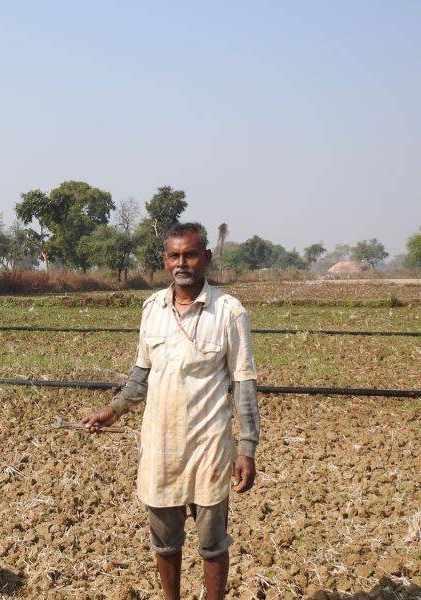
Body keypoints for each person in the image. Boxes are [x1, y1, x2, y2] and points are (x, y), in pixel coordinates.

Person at [82, 222, 260, 600]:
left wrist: (247, 448)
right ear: (165, 261)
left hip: (209, 447)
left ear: (206, 258)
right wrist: (113, 410)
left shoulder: (228, 312)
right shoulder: (152, 309)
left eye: (191, 254)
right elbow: (141, 375)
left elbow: (243, 383)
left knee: (212, 543)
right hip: (160, 447)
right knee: (165, 544)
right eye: (175, 255)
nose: (183, 263)